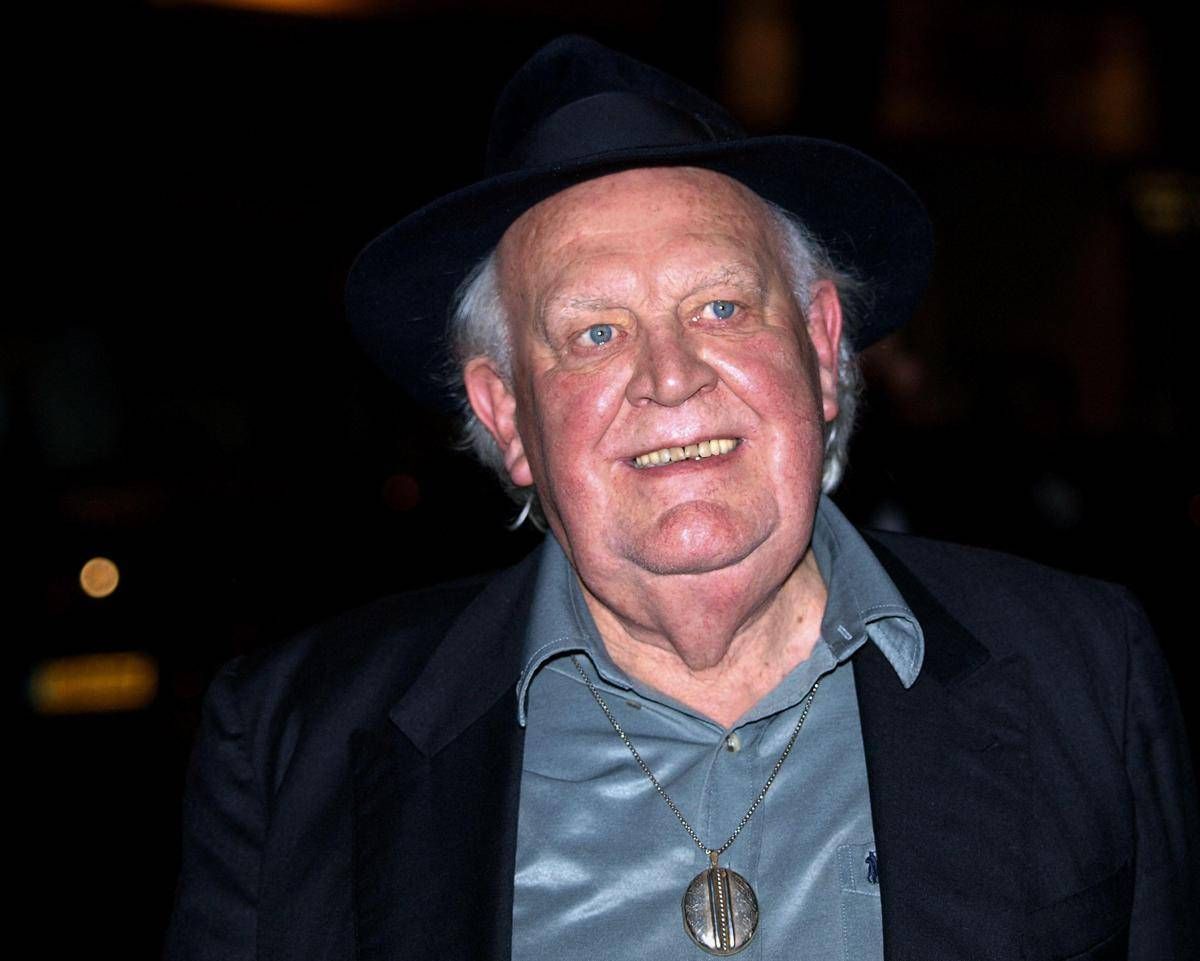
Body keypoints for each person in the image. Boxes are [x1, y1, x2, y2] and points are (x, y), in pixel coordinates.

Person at [165, 36, 1198, 961]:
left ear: (822, 349)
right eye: (595, 333)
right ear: (508, 414)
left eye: (720, 306)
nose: (670, 377)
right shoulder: (292, 743)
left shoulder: (1086, 671)